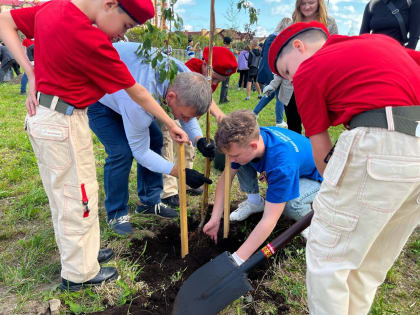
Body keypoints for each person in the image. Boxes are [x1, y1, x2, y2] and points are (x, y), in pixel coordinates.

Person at [0, 0, 189, 292]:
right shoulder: (90, 39)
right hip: (62, 121)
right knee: (77, 198)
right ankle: (79, 273)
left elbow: (5, 21)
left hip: (60, 117)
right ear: (110, 4)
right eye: (125, 26)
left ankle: (84, 253)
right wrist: (172, 123)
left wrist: (31, 71)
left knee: (75, 192)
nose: (121, 35)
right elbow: (136, 91)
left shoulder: (54, 7)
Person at [269, 21, 420, 314]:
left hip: (381, 144)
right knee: (369, 264)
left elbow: (320, 144)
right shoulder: (381, 44)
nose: (291, 79)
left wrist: (335, 196)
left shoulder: (310, 68)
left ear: (299, 47)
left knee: (328, 257)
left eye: (286, 71)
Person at [88, 42, 214, 235]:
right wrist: (179, 172)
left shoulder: (181, 72)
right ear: (170, 96)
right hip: (100, 98)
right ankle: (116, 213)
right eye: (185, 116)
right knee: (121, 152)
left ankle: (148, 201)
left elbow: (186, 111)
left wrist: (198, 139)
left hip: (124, 93)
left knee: (155, 138)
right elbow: (140, 152)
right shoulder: (139, 104)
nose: (185, 121)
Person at [203, 110, 322, 263]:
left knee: (291, 204)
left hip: (317, 178)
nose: (230, 159)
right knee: (241, 163)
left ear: (253, 146)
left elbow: (269, 220)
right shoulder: (251, 140)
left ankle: (308, 222)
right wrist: (215, 218)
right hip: (295, 167)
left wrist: (237, 259)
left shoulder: (281, 166)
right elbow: (226, 178)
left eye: (234, 155)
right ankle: (255, 202)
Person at [160, 46, 238, 208]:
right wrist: (219, 115)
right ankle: (169, 191)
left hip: (189, 117)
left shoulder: (211, 77)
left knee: (190, 145)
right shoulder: (189, 71)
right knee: (166, 144)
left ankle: (187, 182)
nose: (215, 83)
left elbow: (206, 99)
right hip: (171, 111)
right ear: (205, 65)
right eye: (214, 78)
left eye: (219, 81)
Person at [285, 0, 338, 134]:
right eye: (303, 3)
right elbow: (284, 53)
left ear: (319, 3)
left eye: (311, 3)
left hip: (316, 81)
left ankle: (315, 154)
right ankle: (298, 153)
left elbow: (334, 49)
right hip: (292, 83)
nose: (307, 7)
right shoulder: (292, 24)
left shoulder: (329, 22)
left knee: (315, 128)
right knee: (293, 125)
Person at [254, 17, 291, 127]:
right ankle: (279, 121)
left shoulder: (269, 37)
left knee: (270, 94)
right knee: (280, 95)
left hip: (265, 69)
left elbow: (263, 55)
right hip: (275, 70)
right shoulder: (281, 39)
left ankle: (254, 113)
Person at [219, 36, 233, 104]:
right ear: (229, 43)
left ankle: (225, 98)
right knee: (225, 84)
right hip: (227, 69)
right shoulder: (229, 50)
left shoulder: (221, 49)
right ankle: (222, 99)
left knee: (225, 84)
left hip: (222, 68)